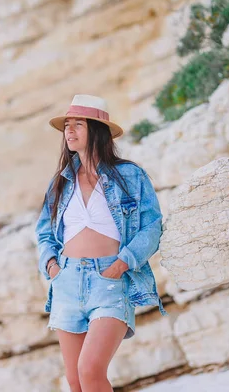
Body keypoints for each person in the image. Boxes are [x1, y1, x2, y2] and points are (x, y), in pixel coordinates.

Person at [34, 94, 168, 392]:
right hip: (66, 282)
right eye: (67, 125)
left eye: (78, 124)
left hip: (109, 280)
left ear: (97, 130)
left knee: (91, 370)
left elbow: (152, 225)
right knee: (75, 380)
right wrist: (52, 265)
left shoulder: (129, 175)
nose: (69, 131)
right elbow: (44, 232)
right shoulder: (60, 182)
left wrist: (123, 262)